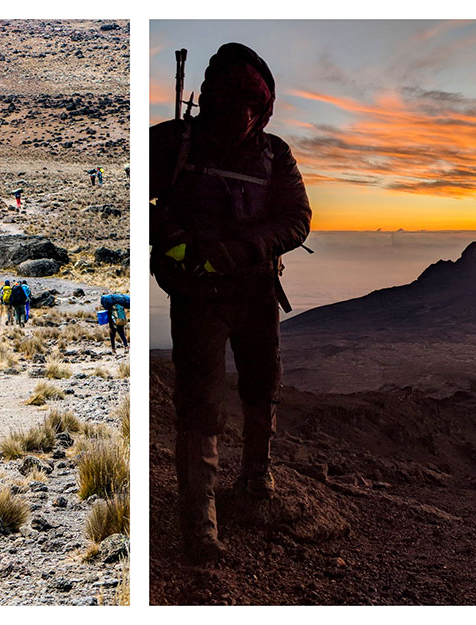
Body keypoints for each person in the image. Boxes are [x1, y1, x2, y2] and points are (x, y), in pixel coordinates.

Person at [150, 43, 311, 563]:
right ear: (211, 97)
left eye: (252, 104)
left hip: (255, 292)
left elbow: (297, 218)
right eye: (232, 100)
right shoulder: (174, 144)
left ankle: (255, 484)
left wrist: (243, 248)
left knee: (262, 385)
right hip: (198, 298)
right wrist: (179, 247)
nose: (242, 114)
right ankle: (200, 524)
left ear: (263, 108)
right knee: (200, 405)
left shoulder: (274, 154)